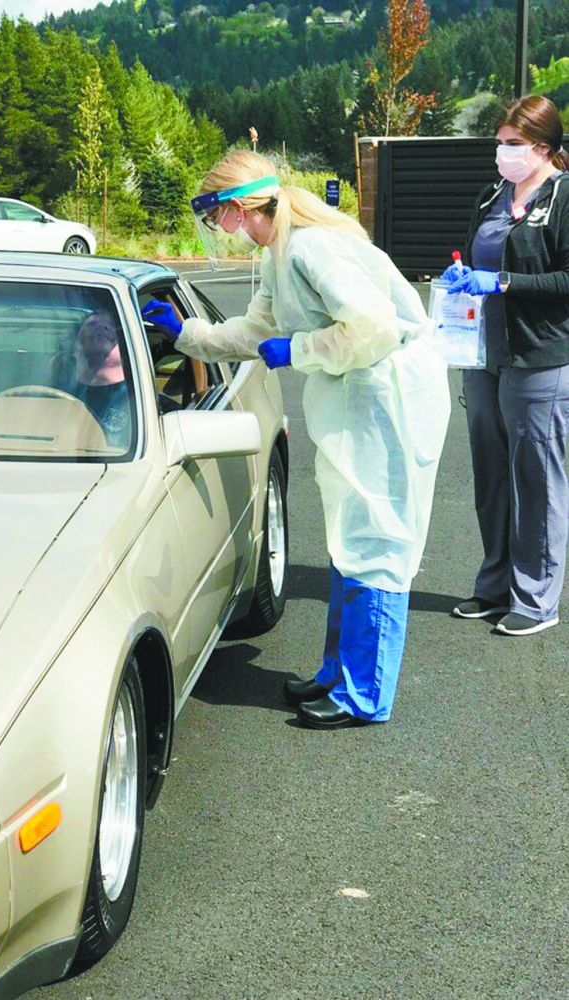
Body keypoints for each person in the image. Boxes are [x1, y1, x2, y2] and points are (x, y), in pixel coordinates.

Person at [142, 151, 451, 729]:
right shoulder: (280, 250)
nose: (217, 231)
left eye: (216, 217)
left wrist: (301, 349)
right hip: (356, 392)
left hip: (388, 397)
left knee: (375, 539)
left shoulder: (311, 246)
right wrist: (186, 333)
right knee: (349, 536)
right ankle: (338, 673)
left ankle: (363, 695)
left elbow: (374, 327)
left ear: (236, 208)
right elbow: (254, 331)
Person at [444, 96, 569, 637]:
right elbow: (477, 257)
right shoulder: (493, 193)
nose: (503, 152)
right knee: (492, 476)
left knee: (536, 480)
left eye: (513, 144)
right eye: (499, 142)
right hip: (482, 353)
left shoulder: (563, 198)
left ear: (542, 147)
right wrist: (462, 278)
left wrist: (504, 283)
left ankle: (537, 598)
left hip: (539, 356)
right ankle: (494, 585)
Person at [70, 311, 131, 449]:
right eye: (92, 324)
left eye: (110, 326)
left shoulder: (141, 397)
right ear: (77, 343)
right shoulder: (60, 391)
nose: (102, 328)